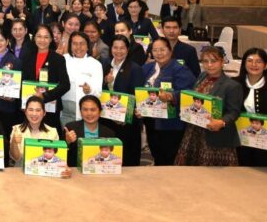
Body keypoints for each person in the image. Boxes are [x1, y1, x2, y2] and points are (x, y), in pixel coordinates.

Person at [175, 47, 244, 166]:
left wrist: (221, 122)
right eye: (205, 61)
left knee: (211, 172)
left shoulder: (232, 86)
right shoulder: (202, 76)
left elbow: (234, 112)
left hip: (215, 134)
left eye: (214, 61)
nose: (209, 65)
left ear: (222, 62)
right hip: (194, 130)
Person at [140, 37, 196, 166]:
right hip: (151, 120)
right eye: (155, 50)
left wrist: (171, 96)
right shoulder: (147, 68)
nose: (159, 53)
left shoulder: (179, 69)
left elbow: (189, 92)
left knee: (169, 156)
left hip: (171, 123)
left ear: (170, 51)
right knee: (156, 153)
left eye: (162, 49)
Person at [102, 35, 144, 166]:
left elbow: (137, 96)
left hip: (126, 122)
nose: (118, 51)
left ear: (127, 49)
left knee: (127, 158)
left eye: (122, 48)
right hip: (107, 119)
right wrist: (105, 81)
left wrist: (125, 116)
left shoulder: (135, 68)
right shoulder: (105, 65)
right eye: (115, 47)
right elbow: (100, 91)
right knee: (109, 157)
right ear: (111, 48)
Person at [20, 25, 70, 133]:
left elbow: (65, 85)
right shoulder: (27, 57)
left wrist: (44, 96)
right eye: (39, 36)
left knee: (50, 138)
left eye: (46, 37)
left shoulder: (58, 59)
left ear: (51, 39)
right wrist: (23, 102)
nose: (42, 40)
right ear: (34, 38)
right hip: (30, 107)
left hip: (50, 107)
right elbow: (22, 82)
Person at [234, 48, 267, 166]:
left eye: (258, 61)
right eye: (249, 60)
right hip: (238, 140)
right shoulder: (234, 84)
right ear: (244, 63)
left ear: (266, 65)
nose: (254, 64)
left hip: (265, 144)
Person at [62, 32, 103, 126]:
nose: (78, 47)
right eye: (75, 43)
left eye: (82, 43)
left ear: (88, 46)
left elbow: (99, 92)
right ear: (70, 45)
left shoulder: (95, 64)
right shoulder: (63, 59)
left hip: (87, 112)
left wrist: (89, 90)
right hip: (65, 110)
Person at [64, 95, 116, 167]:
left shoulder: (109, 133)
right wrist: (67, 142)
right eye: (85, 110)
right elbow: (62, 155)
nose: (89, 113)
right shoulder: (71, 128)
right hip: (77, 170)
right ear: (80, 112)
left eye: (93, 110)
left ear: (100, 112)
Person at [9, 96, 60, 166]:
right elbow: (15, 158)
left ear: (44, 113)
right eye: (31, 110)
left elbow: (56, 158)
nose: (34, 114)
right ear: (25, 112)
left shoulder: (52, 132)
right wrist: (14, 142)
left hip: (45, 170)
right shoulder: (17, 129)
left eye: (38, 110)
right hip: (21, 170)